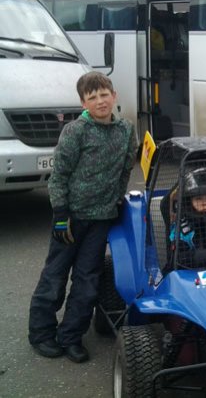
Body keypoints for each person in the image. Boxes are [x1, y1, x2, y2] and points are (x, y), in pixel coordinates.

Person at [28, 72, 137, 363]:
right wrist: (61, 213)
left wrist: (116, 199)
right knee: (55, 275)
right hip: (71, 219)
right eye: (92, 98)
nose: (100, 101)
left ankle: (71, 336)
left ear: (114, 95)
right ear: (83, 103)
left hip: (101, 218)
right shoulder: (76, 131)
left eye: (104, 95)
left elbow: (126, 167)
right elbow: (59, 176)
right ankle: (41, 333)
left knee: (87, 280)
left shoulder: (126, 130)